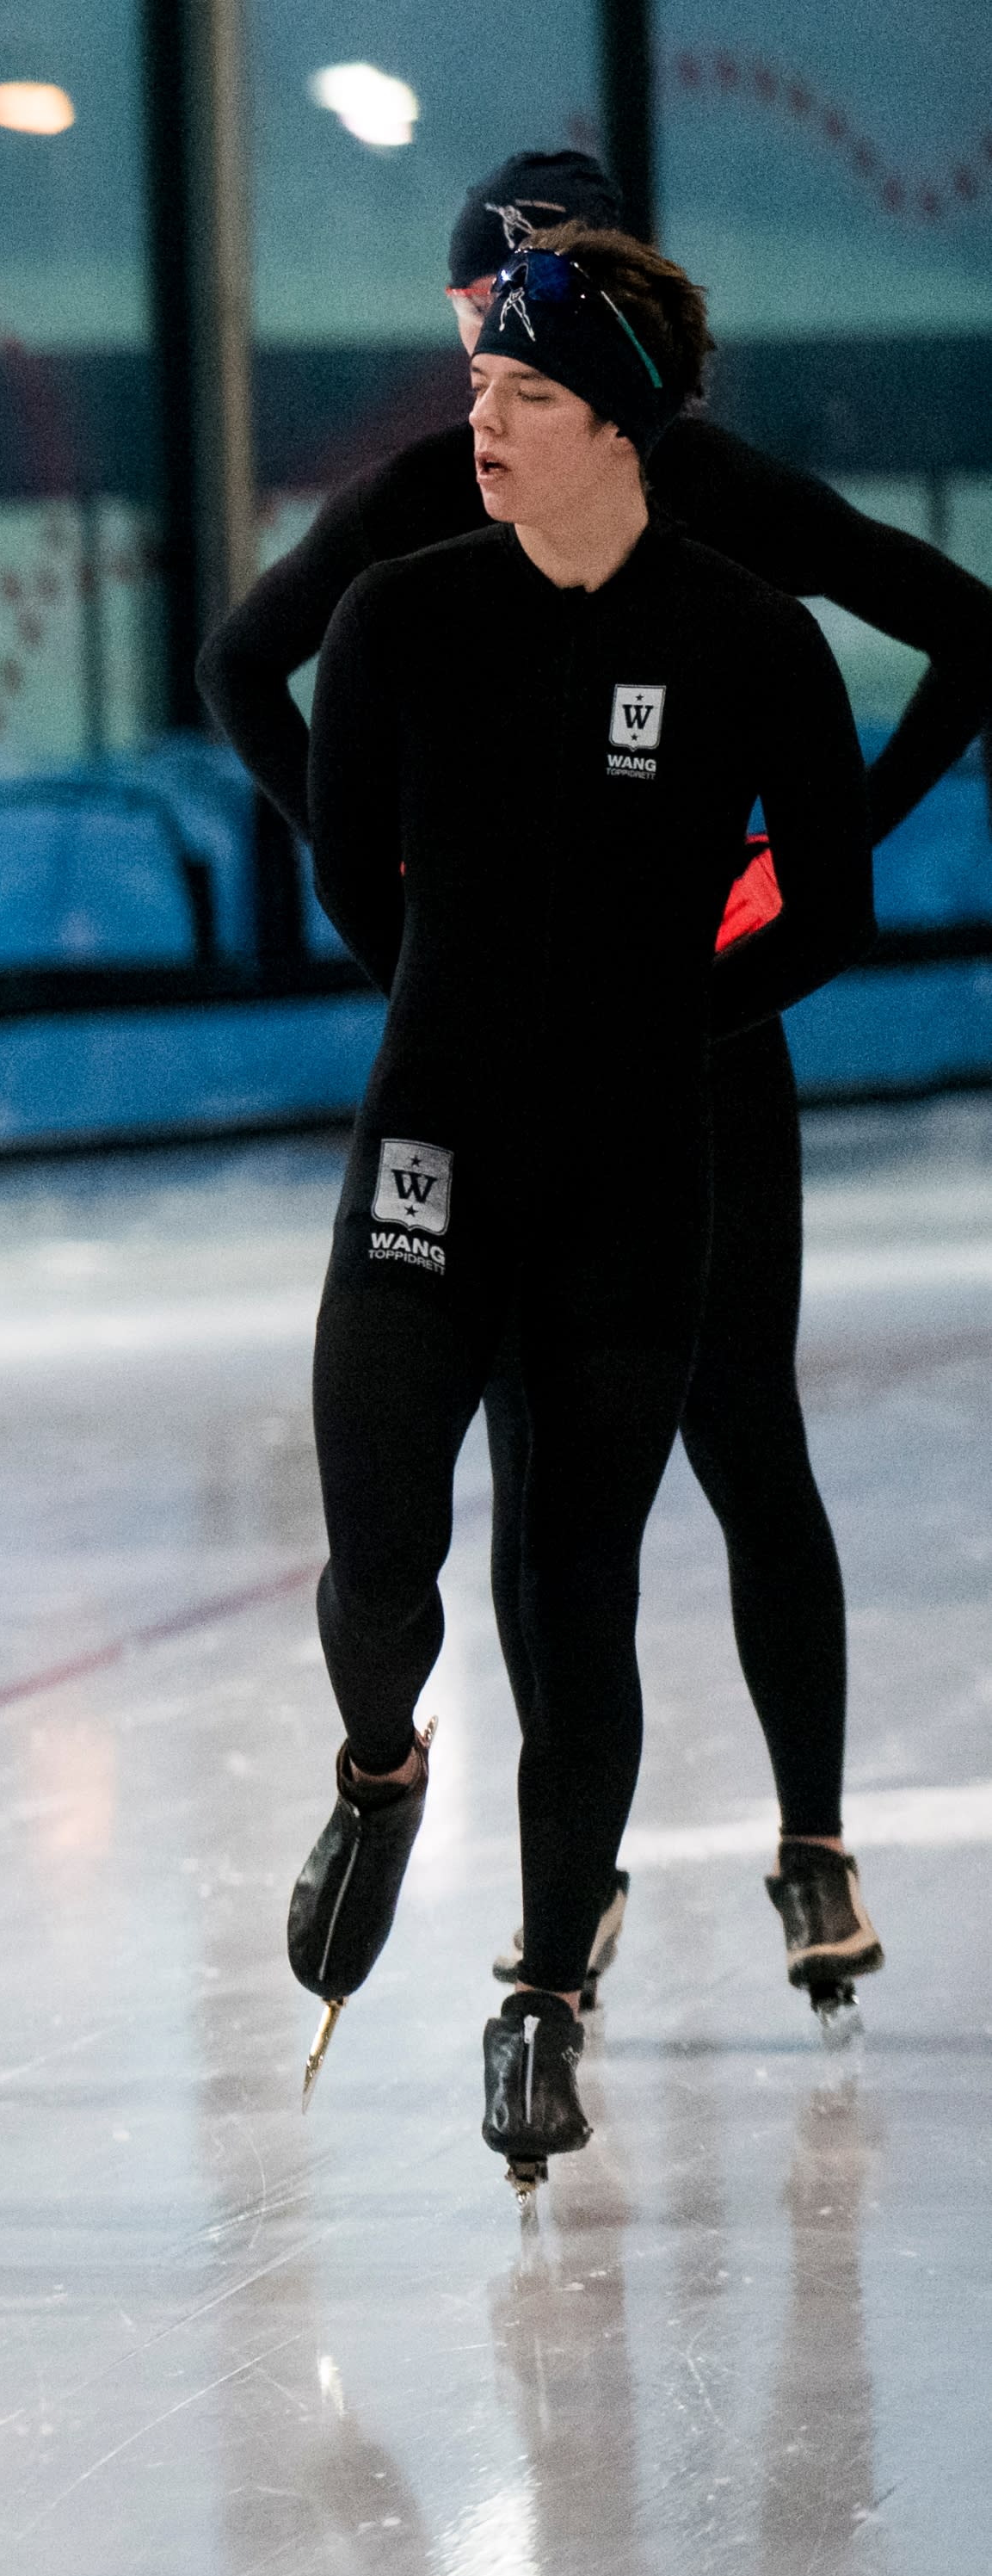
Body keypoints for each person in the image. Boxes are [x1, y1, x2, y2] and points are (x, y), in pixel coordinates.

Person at [208, 149, 990, 2031]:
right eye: (482, 327)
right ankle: (572, 1867)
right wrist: (427, 933)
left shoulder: (703, 508)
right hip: (480, 1073)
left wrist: (785, 870)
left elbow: (962, 631)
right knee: (510, 1493)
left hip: (683, 1049)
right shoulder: (429, 508)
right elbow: (244, 672)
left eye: (529, 332)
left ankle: (806, 1833)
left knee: (735, 1436)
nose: (493, 370)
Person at [278, 232, 870, 2189]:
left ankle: (539, 1988)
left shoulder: (750, 639)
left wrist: (652, 1024)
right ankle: (380, 1764)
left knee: (575, 1584)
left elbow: (834, 908)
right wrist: (470, 1017)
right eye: (479, 389)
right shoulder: (400, 617)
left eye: (525, 396)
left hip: (634, 1177)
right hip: (431, 1152)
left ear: (621, 424)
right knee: (379, 1542)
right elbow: (348, 879)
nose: (484, 422)